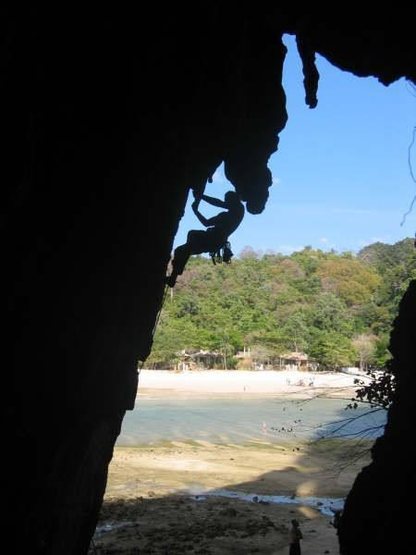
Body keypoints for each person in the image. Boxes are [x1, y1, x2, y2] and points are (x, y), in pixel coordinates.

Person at [166, 190, 244, 287]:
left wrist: (197, 208)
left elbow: (207, 221)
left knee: (181, 249)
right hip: (215, 241)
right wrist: (201, 197)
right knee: (190, 237)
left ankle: (174, 276)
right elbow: (219, 203)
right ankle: (176, 272)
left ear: (232, 201)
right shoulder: (239, 212)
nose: (225, 203)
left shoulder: (226, 216)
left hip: (212, 239)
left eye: (227, 201)